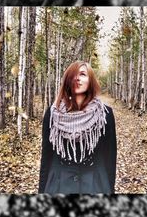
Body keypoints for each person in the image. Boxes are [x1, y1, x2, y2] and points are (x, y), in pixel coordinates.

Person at [38, 61, 117, 194]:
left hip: (95, 184)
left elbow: (110, 158)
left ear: (90, 80)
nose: (77, 78)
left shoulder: (104, 114)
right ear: (67, 80)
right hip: (58, 185)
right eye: (73, 75)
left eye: (82, 74)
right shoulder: (52, 114)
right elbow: (46, 157)